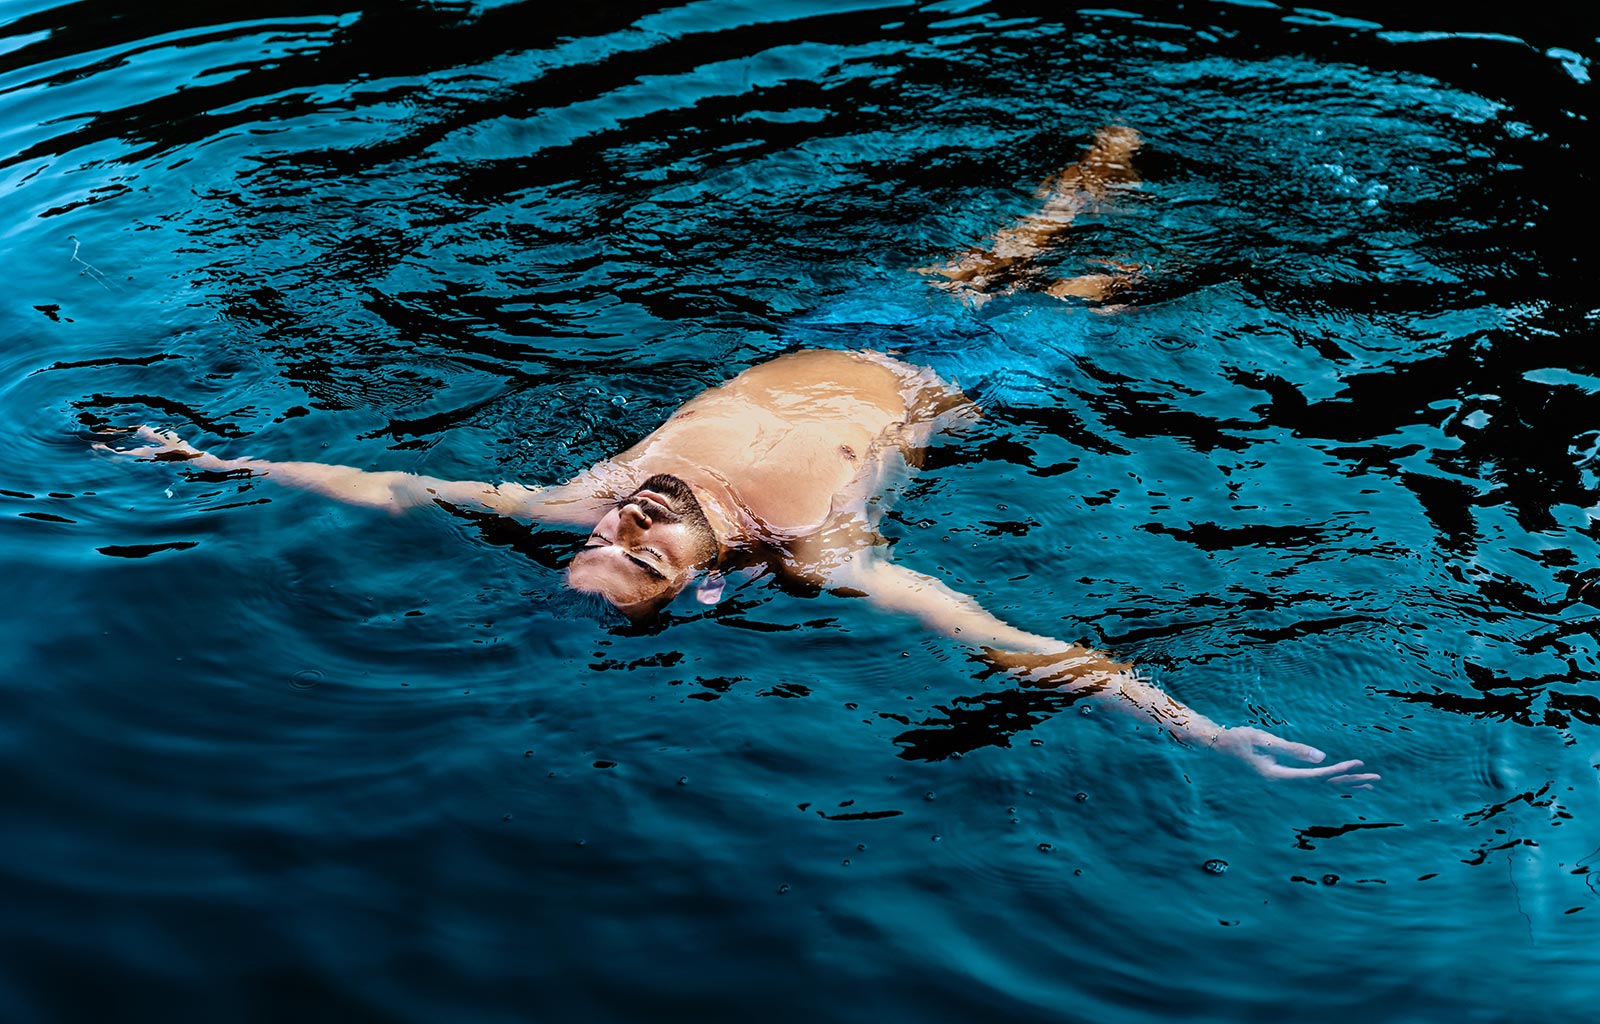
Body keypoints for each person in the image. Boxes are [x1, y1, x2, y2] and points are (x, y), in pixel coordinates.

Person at [103, 128, 1377, 785]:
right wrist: (1198, 729)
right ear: (704, 586)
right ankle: (1275, 237)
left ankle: (1105, 164)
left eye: (603, 545)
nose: (615, 528)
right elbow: (999, 636)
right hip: (954, 383)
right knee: (1100, 290)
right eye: (638, 555)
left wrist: (215, 464)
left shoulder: (586, 499)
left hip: (846, 333)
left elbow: (388, 485)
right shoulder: (821, 553)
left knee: (1021, 231)